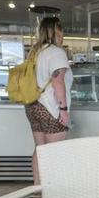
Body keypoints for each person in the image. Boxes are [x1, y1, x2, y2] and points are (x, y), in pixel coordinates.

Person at [24, 16, 72, 184]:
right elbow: (57, 81)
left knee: (40, 150)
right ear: (56, 31)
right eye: (61, 29)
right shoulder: (56, 52)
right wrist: (64, 110)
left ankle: (37, 188)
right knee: (54, 153)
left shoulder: (35, 52)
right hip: (50, 108)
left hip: (33, 106)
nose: (63, 33)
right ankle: (53, 192)